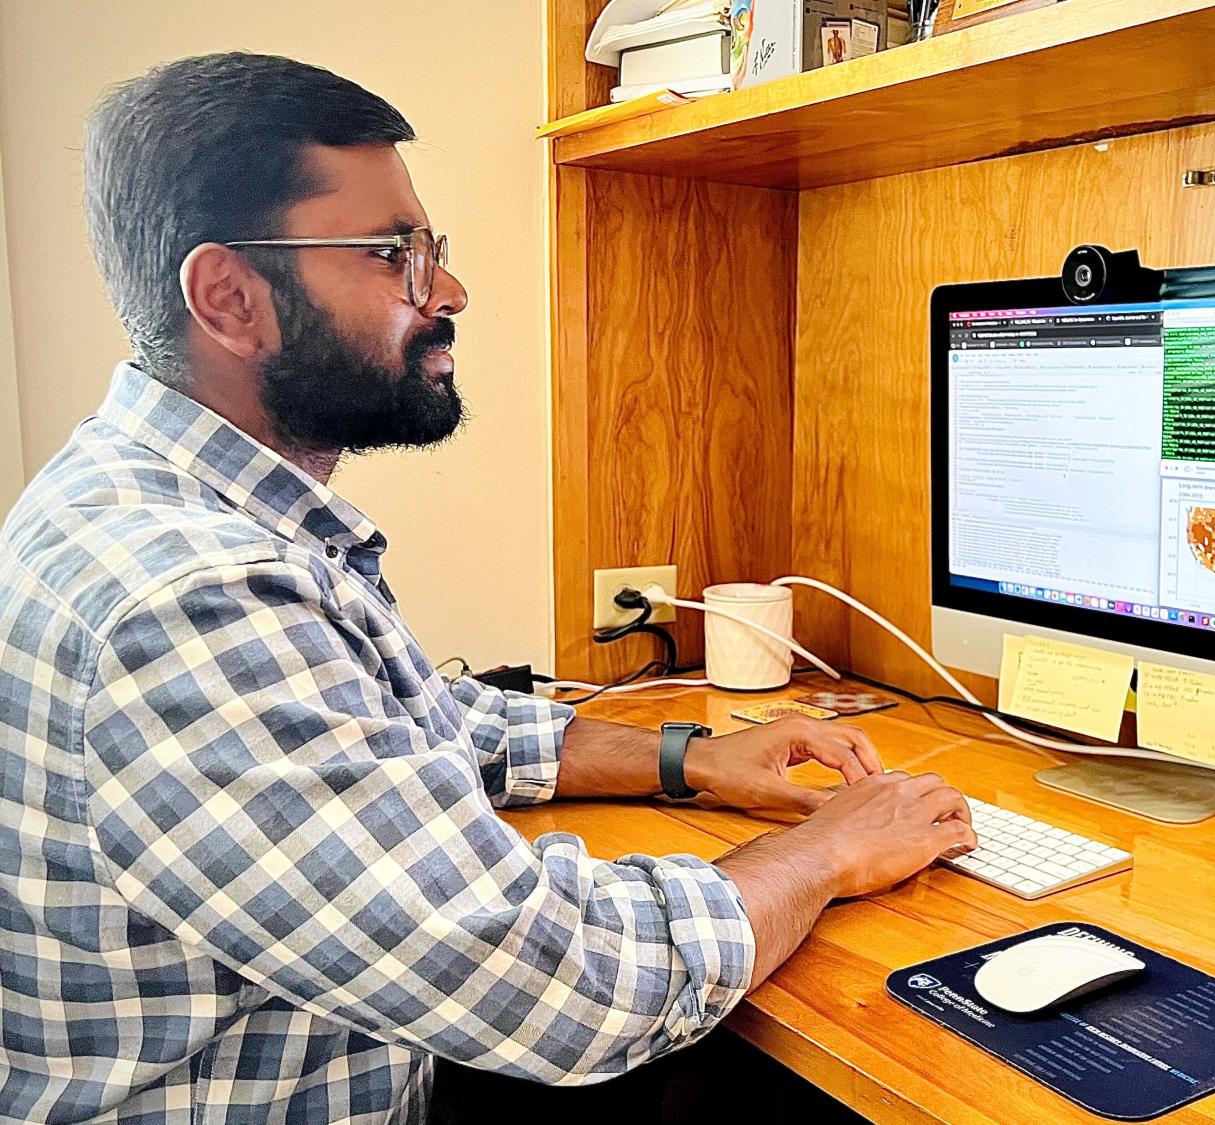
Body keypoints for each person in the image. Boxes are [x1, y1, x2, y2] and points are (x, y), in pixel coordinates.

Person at [0, 52, 975, 1124]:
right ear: (228, 297)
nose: (448, 291)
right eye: (393, 255)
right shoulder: (190, 599)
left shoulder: (155, 504)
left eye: (434, 251)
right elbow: (562, 984)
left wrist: (687, 758)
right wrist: (831, 847)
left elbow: (392, 726)